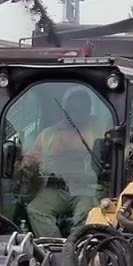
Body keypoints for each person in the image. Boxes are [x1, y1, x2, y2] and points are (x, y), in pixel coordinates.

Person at [20, 87, 107, 237]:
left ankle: (78, 246)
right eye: (72, 109)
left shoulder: (98, 130)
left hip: (86, 188)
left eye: (81, 108)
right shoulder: (48, 135)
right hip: (54, 188)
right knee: (36, 209)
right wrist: (26, 165)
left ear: (88, 110)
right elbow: (30, 159)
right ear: (65, 109)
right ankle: (55, 247)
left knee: (86, 212)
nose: (76, 112)